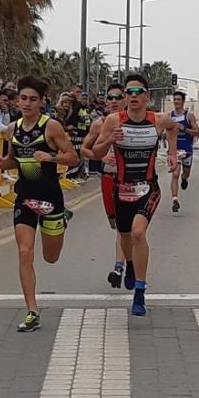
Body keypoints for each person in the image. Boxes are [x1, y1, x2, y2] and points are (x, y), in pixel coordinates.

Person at [0, 76, 79, 332]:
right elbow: (13, 160)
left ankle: (62, 220)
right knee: (24, 252)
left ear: (42, 102)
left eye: (33, 99)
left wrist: (50, 156)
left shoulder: (51, 127)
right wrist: (0, 163)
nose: (27, 103)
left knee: (50, 257)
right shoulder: (12, 128)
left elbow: (73, 159)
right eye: (23, 98)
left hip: (51, 199)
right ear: (17, 100)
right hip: (25, 198)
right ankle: (32, 310)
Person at [92, 74, 178, 317]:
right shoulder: (112, 121)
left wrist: (172, 154)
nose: (133, 96)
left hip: (148, 187)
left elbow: (173, 129)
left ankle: (139, 293)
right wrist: (110, 139)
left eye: (139, 92)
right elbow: (96, 153)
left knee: (139, 233)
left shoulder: (158, 120)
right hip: (121, 188)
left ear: (148, 96)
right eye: (128, 93)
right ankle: (130, 265)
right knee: (126, 237)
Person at [81, 83, 128, 288]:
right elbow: (84, 149)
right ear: (106, 101)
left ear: (125, 100)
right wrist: (100, 159)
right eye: (110, 98)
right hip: (108, 177)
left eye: (118, 97)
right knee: (115, 224)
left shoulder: (135, 122)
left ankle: (119, 267)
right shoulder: (99, 124)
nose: (114, 101)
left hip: (130, 180)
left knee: (125, 227)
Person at [169, 90, 199, 214]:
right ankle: (175, 200)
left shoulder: (188, 115)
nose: (176, 101)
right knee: (175, 174)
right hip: (174, 150)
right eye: (175, 99)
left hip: (187, 149)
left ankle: (185, 178)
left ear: (183, 101)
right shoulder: (169, 115)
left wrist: (184, 128)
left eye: (178, 99)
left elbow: (197, 132)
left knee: (185, 173)